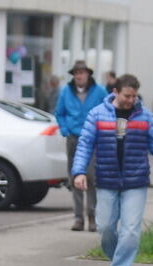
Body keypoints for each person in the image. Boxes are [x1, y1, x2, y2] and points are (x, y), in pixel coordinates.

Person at [72, 74, 153, 266]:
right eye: (127, 95)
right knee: (105, 227)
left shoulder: (144, 117)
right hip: (106, 180)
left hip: (136, 181)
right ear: (115, 92)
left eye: (134, 96)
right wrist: (79, 172)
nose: (131, 100)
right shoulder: (97, 115)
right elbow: (85, 144)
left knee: (131, 229)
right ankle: (118, 258)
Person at [55, 60, 108, 231]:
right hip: (73, 138)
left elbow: (108, 110)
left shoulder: (99, 91)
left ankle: (92, 216)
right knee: (75, 178)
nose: (79, 76)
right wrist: (65, 129)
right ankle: (78, 218)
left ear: (88, 74)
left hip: (92, 139)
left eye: (82, 73)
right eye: (76, 73)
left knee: (91, 177)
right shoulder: (66, 92)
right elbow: (59, 112)